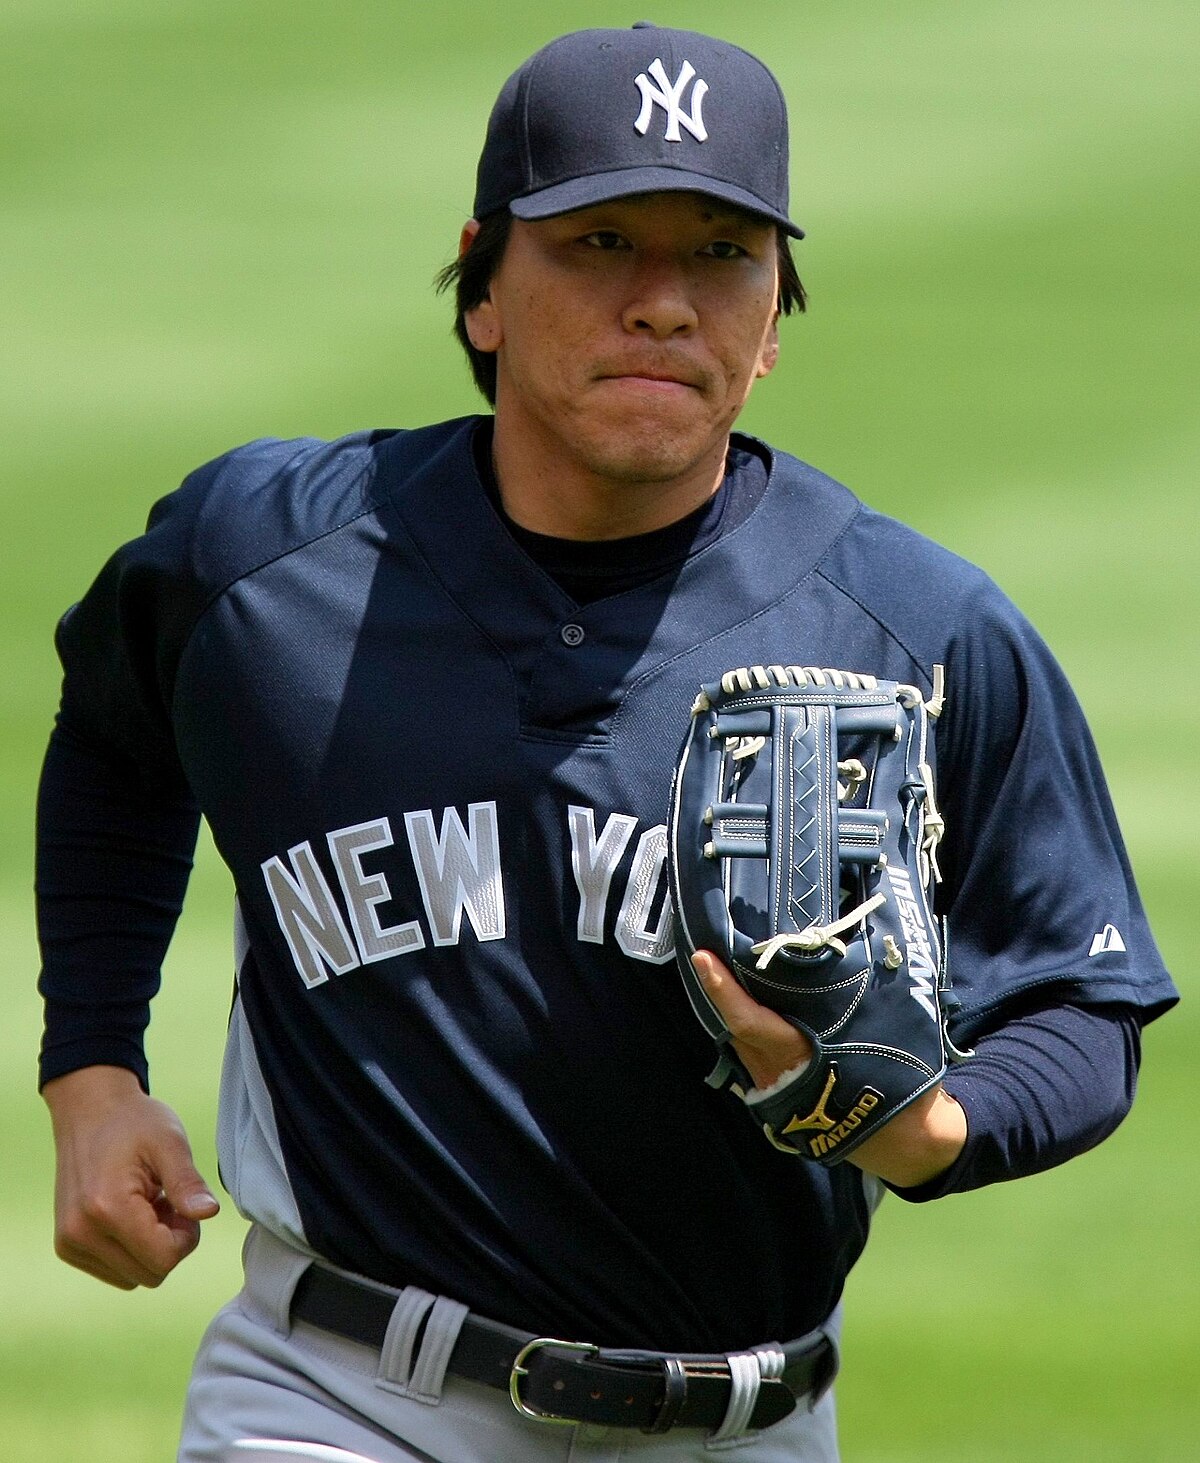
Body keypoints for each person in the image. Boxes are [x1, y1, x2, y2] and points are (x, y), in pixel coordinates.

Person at [36, 23, 1177, 1463]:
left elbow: (1085, 1001)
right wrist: (93, 1066)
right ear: (483, 287)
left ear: (773, 321)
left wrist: (927, 1130)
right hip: (340, 1404)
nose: (660, 303)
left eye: (722, 254)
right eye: (599, 242)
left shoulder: (913, 634)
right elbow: (117, 741)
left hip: (753, 1425)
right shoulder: (263, 567)